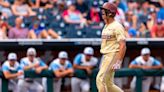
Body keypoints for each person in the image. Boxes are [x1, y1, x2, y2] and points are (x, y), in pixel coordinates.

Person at [96, 2, 126, 92]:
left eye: (104, 10)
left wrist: (118, 61)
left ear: (110, 13)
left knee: (100, 79)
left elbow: (123, 45)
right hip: (106, 55)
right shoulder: (106, 25)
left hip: (112, 54)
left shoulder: (117, 26)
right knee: (108, 84)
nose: (102, 12)